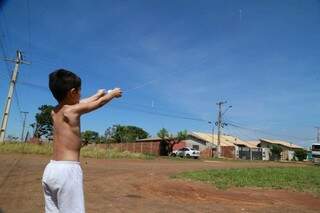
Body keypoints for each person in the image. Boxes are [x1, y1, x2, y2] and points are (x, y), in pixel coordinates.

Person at [42, 69, 122, 213]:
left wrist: (97, 94)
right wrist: (112, 94)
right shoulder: (72, 111)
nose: (80, 95)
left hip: (51, 170)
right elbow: (99, 104)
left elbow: (82, 102)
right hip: (67, 171)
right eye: (79, 91)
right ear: (72, 92)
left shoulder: (54, 111)